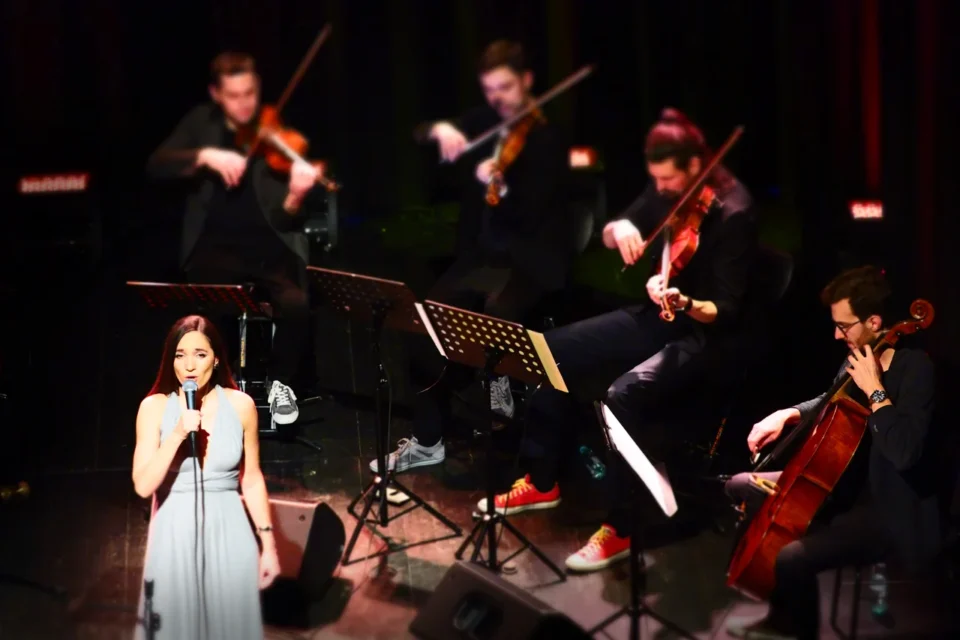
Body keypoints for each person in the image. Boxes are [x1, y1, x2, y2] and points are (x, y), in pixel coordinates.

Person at [475, 108, 758, 572]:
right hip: (660, 314)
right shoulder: (667, 186)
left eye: (667, 180)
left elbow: (723, 309)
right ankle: (541, 480)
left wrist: (684, 300)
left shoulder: (734, 212)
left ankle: (622, 527)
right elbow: (616, 230)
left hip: (707, 336)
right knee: (550, 350)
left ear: (695, 165)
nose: (660, 188)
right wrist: (621, 228)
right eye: (655, 179)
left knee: (623, 394)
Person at [370, 40, 572, 474]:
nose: (497, 98)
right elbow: (419, 132)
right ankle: (428, 441)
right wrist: (441, 131)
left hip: (529, 260)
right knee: (421, 324)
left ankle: (502, 384)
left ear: (527, 81)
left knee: (499, 314)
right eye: (489, 89)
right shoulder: (484, 120)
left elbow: (534, 212)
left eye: (506, 87)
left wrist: (503, 182)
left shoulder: (548, 137)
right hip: (482, 258)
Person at [724, 266, 940, 640]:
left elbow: (905, 451)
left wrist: (875, 391)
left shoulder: (915, 369)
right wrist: (788, 414)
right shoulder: (857, 358)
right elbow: (831, 401)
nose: (837, 335)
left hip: (883, 506)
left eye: (844, 326)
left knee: (792, 558)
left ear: (874, 322)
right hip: (837, 486)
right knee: (741, 484)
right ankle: (774, 602)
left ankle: (796, 627)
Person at [146, 51, 324, 426]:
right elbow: (157, 165)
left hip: (269, 246)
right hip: (214, 247)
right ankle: (217, 391)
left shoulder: (274, 130)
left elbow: (285, 218)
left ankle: (281, 384)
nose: (244, 104)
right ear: (217, 94)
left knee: (297, 301)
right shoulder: (201, 123)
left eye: (250, 93)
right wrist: (205, 156)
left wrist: (295, 195)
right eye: (234, 95)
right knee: (212, 306)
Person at [133, 315, 279, 640]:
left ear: (215, 358)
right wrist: (176, 434)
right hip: (174, 538)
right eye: (180, 355)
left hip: (230, 533)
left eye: (200, 354)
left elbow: (252, 478)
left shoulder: (241, 406)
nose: (189, 366)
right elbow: (143, 485)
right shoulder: (153, 408)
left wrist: (268, 545)